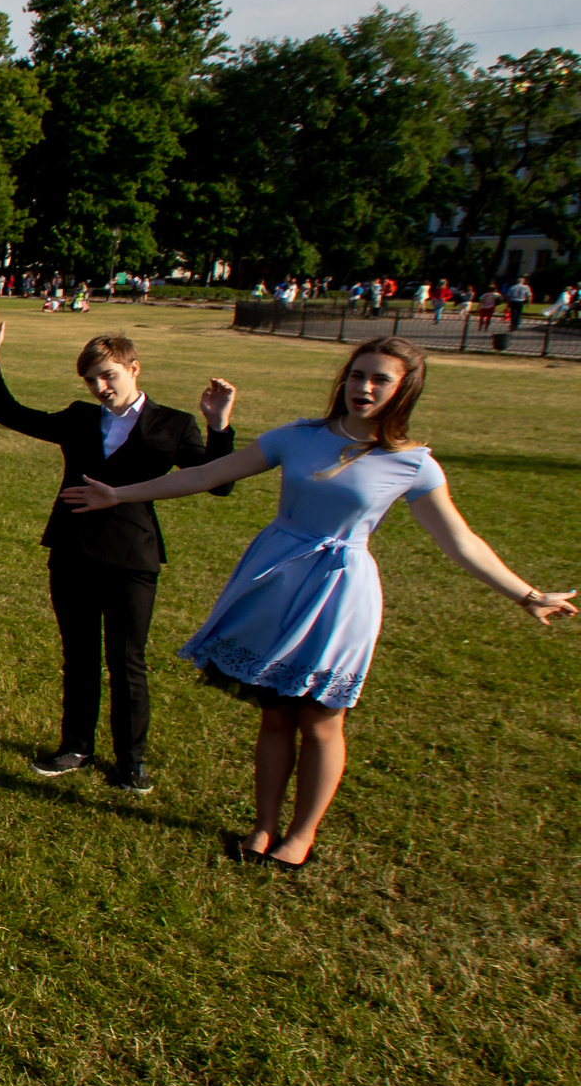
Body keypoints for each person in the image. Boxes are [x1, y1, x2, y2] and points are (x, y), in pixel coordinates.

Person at [63, 338, 573, 869]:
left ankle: (300, 835)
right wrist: (120, 495)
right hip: (276, 580)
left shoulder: (413, 464)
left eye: (380, 380)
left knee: (322, 718)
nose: (364, 388)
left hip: (341, 592)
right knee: (276, 714)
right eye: (357, 376)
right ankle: (263, 827)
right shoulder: (299, 437)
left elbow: (460, 541)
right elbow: (205, 476)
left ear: (405, 391)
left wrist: (527, 594)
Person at [0, 314, 237, 793]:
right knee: (80, 655)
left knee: (127, 660)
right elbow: (10, 413)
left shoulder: (174, 424)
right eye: (92, 379)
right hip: (73, 550)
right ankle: (76, 746)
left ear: (134, 368)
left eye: (108, 375)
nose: (100, 387)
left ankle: (130, 760)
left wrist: (219, 427)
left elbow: (218, 484)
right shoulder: (79, 417)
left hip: (133, 558)